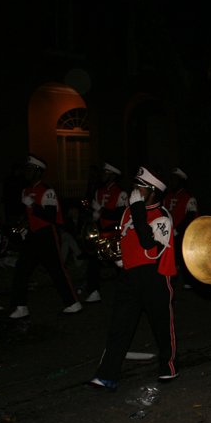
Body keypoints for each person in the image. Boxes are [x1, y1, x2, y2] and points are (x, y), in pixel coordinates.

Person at [82, 167, 177, 390]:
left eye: (140, 188)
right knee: (119, 326)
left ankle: (169, 368)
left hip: (155, 276)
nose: (134, 191)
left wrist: (136, 209)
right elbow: (127, 239)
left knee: (162, 326)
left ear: (152, 192)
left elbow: (149, 245)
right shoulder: (129, 212)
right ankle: (106, 375)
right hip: (129, 277)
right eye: (134, 187)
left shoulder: (162, 215)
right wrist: (120, 257)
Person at [9, 154, 82, 318]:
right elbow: (29, 215)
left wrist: (33, 205)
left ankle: (73, 303)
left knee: (56, 270)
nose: (26, 172)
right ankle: (21, 306)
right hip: (33, 235)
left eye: (30, 169)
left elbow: (50, 216)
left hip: (47, 234)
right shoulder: (26, 190)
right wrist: (24, 228)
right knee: (22, 270)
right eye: (26, 169)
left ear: (38, 172)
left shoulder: (47, 191)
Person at [84, 163, 128, 303]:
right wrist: (95, 215)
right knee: (94, 261)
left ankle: (129, 290)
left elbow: (120, 215)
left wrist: (101, 210)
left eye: (105, 173)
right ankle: (94, 290)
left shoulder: (121, 193)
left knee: (119, 264)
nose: (102, 175)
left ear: (112, 175)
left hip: (114, 232)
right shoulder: (98, 191)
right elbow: (97, 212)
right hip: (101, 231)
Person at [165, 167, 198, 288]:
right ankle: (170, 279)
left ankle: (188, 281)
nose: (172, 182)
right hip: (169, 231)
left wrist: (177, 230)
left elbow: (190, 217)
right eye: (171, 179)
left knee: (184, 257)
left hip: (182, 233)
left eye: (175, 179)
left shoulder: (189, 198)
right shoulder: (167, 196)